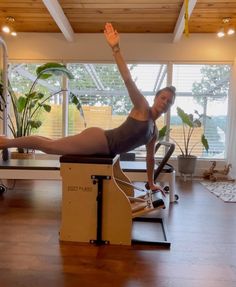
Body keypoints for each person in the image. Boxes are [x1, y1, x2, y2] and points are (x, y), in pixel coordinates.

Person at [0, 22, 175, 192]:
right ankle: (6, 142)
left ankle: (6, 141)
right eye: (163, 97)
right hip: (100, 141)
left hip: (105, 149)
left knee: (50, 143)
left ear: (170, 107)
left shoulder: (153, 132)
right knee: (51, 147)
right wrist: (115, 48)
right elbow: (128, 78)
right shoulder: (142, 107)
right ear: (156, 98)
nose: (164, 102)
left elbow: (150, 159)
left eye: (169, 101)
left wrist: (151, 183)